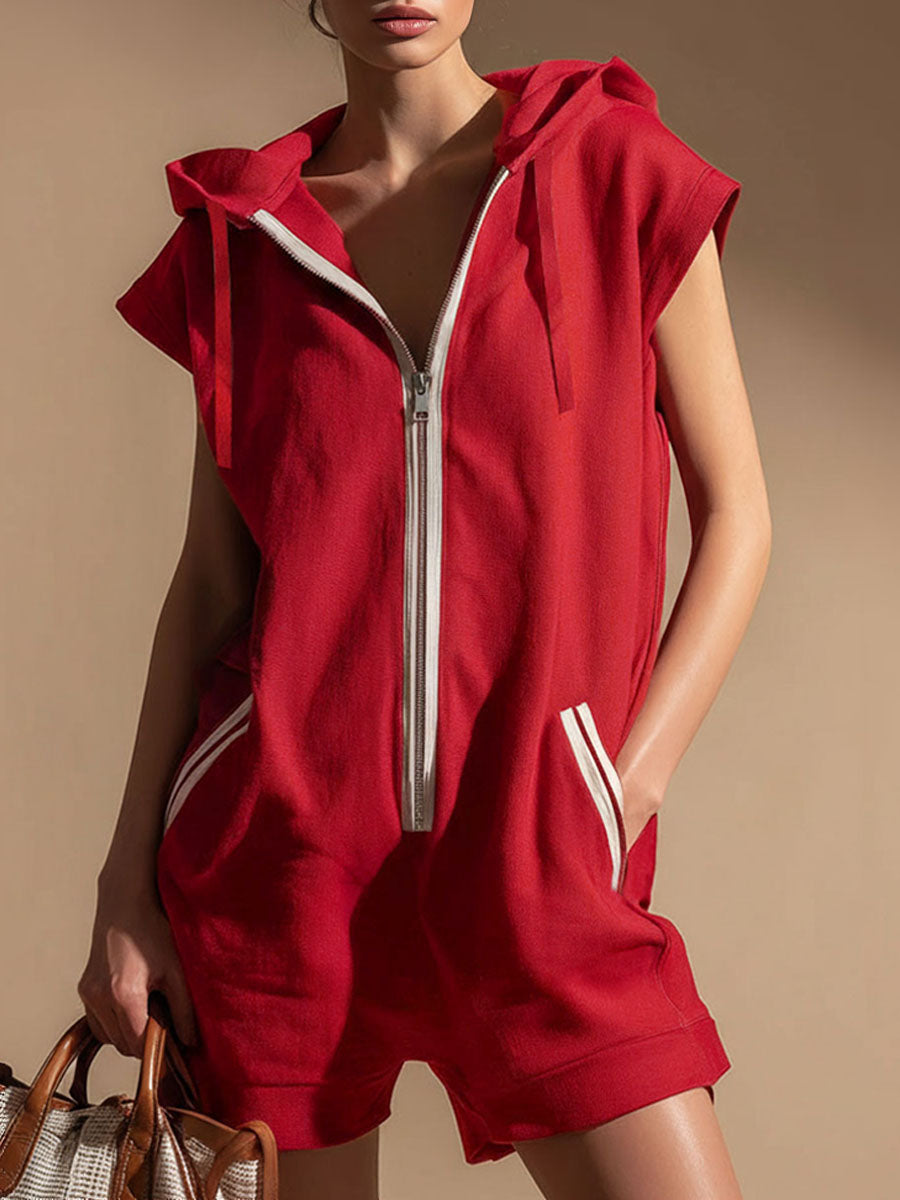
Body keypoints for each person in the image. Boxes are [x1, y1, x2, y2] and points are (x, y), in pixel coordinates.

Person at [79, 1, 769, 1195]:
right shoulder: (248, 240)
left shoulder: (614, 172)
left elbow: (739, 516)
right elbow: (213, 582)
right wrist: (124, 882)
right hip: (280, 872)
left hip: (534, 859)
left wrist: (624, 786)